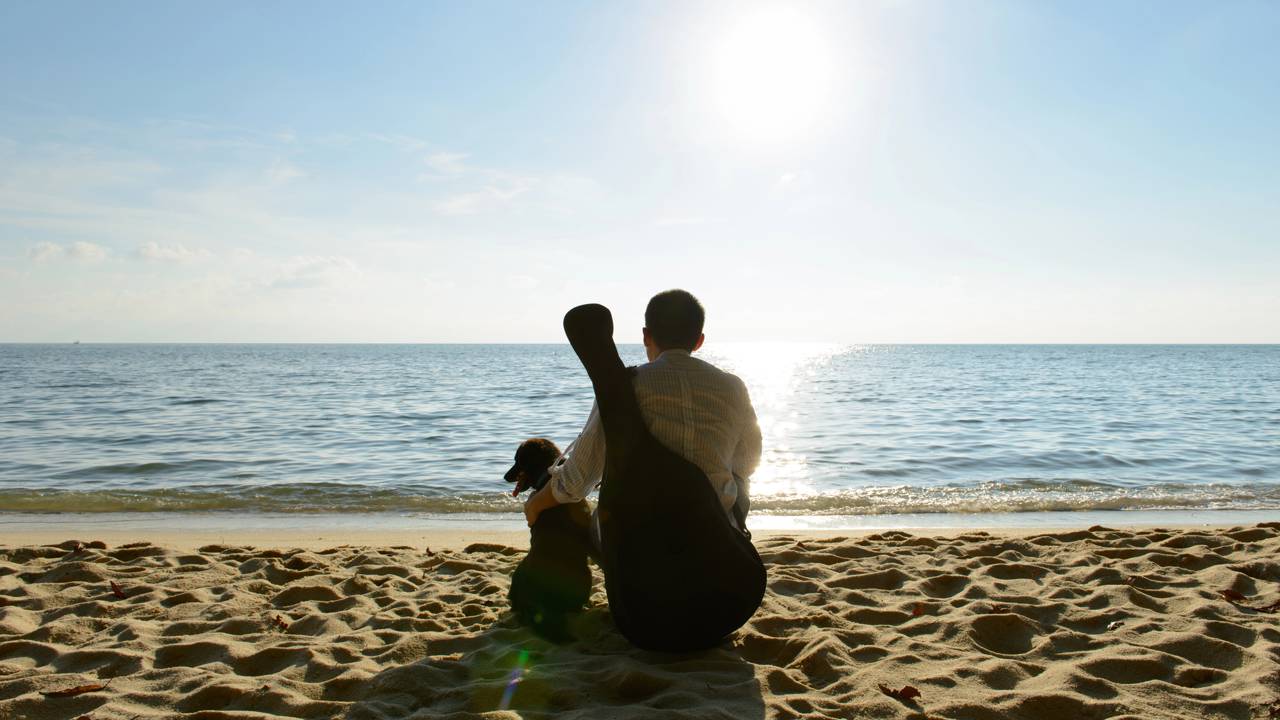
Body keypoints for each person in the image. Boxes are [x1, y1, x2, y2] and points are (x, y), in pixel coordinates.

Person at [522, 289, 763, 537]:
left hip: (644, 544)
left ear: (646, 336)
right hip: (716, 537)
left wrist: (535, 504)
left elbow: (576, 480)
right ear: (699, 341)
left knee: (571, 509)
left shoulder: (625, 385)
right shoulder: (733, 387)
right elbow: (747, 463)